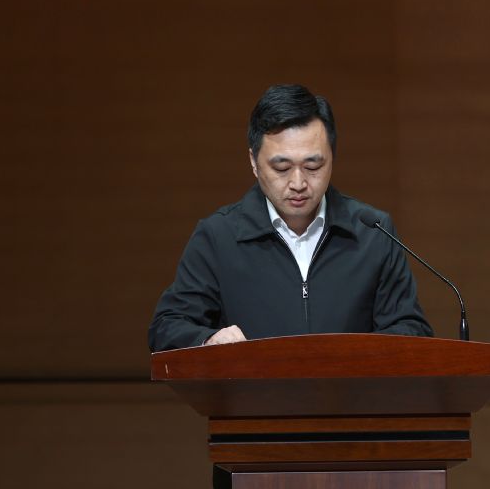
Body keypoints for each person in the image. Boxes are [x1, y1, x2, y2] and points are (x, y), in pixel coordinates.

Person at [148, 84, 432, 351]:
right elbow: (166, 327)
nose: (298, 183)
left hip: (350, 388)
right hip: (253, 388)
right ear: (254, 162)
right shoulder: (218, 237)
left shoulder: (373, 233)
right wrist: (209, 339)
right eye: (282, 168)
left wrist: (355, 357)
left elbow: (412, 329)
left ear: (332, 158)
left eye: (313, 166)